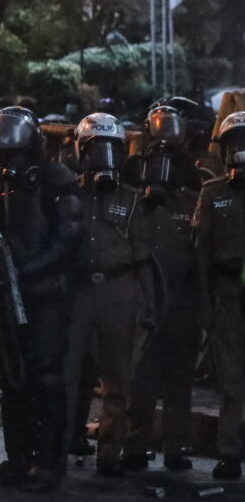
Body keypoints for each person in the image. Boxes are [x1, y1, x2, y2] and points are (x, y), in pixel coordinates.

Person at [0, 106, 82, 492]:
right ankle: (18, 459)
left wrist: (28, 269)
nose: (10, 165)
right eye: (3, 157)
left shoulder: (56, 179)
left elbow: (68, 238)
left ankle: (49, 463)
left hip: (45, 295)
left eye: (16, 157)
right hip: (7, 295)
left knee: (46, 379)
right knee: (13, 381)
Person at [63, 113, 152, 476]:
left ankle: (110, 454)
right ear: (81, 152)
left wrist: (148, 304)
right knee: (66, 375)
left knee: (117, 377)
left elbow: (144, 256)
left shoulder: (132, 200)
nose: (103, 156)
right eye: (95, 148)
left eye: (110, 148)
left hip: (119, 289)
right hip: (78, 290)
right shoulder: (66, 194)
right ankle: (58, 448)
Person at [122, 106, 202, 472]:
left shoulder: (195, 194)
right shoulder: (138, 198)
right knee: (143, 377)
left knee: (175, 380)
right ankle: (139, 445)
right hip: (149, 298)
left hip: (181, 298)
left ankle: (173, 448)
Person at [193, 111, 245, 481]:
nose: (239, 152)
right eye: (233, 145)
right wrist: (206, 301)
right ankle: (230, 453)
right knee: (231, 378)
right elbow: (201, 252)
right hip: (228, 292)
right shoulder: (213, 193)